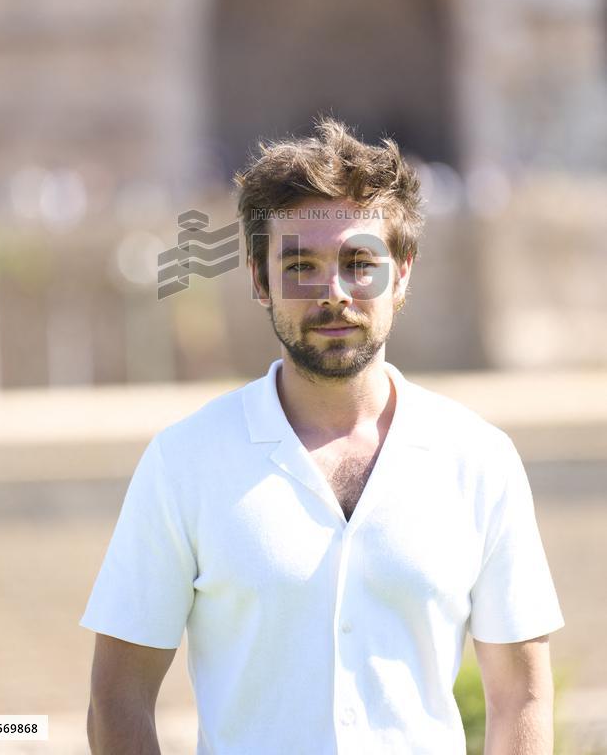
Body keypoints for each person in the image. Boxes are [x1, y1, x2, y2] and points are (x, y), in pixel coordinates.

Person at [81, 116, 565, 755]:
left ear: (404, 272)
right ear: (259, 279)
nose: (332, 293)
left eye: (359, 262)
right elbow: (118, 699)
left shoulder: (479, 459)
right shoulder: (184, 462)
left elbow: (521, 696)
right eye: (300, 265)